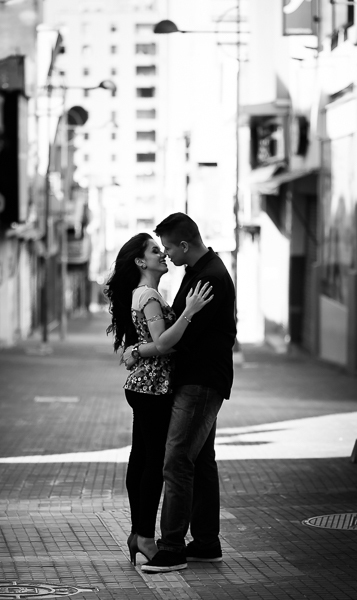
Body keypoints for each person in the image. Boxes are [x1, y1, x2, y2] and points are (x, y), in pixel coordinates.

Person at [122, 213, 237, 573]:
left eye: (169, 248)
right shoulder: (198, 271)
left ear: (184, 245)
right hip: (196, 380)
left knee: (175, 461)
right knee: (199, 460)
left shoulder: (209, 277)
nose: (167, 255)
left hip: (200, 382)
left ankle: (171, 547)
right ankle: (205, 543)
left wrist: (138, 350)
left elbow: (176, 340)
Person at [104, 232, 213, 566]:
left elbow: (149, 342)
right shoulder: (149, 295)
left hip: (142, 387)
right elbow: (164, 342)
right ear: (141, 262)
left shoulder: (140, 293)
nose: (162, 254)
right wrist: (189, 312)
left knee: (141, 459)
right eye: (155, 251)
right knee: (153, 463)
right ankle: (145, 538)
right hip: (152, 390)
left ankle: (138, 534)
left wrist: (136, 350)